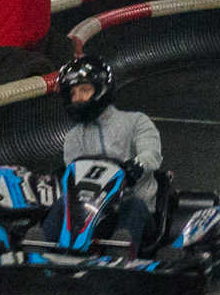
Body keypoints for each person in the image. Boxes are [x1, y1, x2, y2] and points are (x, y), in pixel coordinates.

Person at [51, 55, 167, 248]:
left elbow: (152, 154)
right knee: (60, 205)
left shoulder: (136, 122)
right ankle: (37, 247)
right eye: (73, 93)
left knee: (133, 207)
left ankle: (120, 252)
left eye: (84, 90)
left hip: (135, 209)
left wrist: (137, 165)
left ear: (101, 89)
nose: (78, 98)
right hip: (91, 213)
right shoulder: (73, 137)